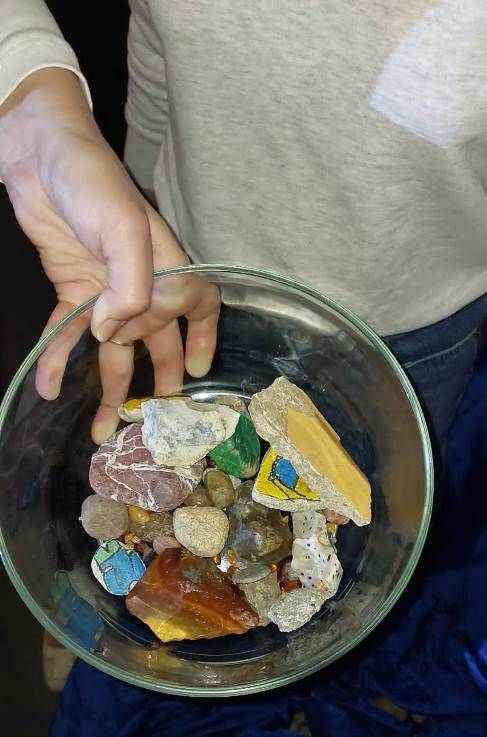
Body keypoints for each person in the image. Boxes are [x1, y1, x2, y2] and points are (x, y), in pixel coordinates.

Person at [1, 0, 486, 682]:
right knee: (118, 447)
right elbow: (161, 49)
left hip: (411, 320)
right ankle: (98, 608)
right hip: (186, 280)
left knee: (382, 525)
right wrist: (41, 116)